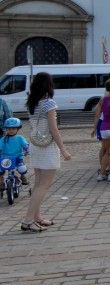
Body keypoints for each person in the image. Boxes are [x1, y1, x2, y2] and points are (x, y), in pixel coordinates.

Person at [21, 72, 72, 233]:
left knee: (38, 184)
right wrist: (63, 149)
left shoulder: (32, 102)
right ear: (49, 85)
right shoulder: (49, 103)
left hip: (35, 145)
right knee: (44, 185)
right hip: (47, 146)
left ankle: (36, 217)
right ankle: (28, 220)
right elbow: (53, 129)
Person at [1, 117, 29, 185]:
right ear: (6, 129)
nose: (11, 130)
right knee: (0, 170)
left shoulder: (20, 138)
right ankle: (1, 182)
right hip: (5, 158)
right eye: (9, 129)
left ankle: (22, 176)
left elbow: (25, 145)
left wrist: (27, 149)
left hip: (17, 157)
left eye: (13, 128)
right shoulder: (3, 139)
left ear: (18, 129)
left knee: (22, 168)